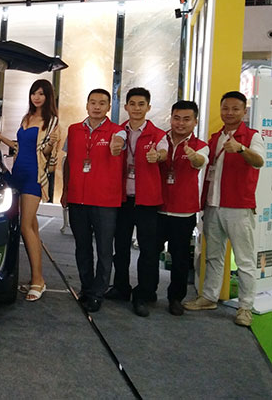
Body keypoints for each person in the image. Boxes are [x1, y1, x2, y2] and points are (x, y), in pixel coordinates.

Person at [184, 91, 264, 327]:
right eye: (225, 108)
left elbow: (259, 161)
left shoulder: (252, 136)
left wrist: (240, 149)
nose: (229, 113)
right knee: (214, 255)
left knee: (244, 260)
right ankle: (209, 297)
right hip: (213, 204)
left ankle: (245, 308)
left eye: (235, 109)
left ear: (244, 111)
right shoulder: (215, 137)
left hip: (239, 207)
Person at [0, 79, 59, 302]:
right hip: (17, 173)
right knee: (32, 229)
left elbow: (47, 152)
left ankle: (38, 280)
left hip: (33, 177)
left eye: (41, 94)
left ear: (48, 97)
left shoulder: (52, 121)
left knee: (25, 227)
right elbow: (20, 146)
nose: (37, 97)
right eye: (34, 93)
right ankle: (37, 279)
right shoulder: (27, 118)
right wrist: (0, 136)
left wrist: (52, 143)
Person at [61, 89, 125, 313]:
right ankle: (86, 288)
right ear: (87, 105)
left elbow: (120, 144)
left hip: (105, 201)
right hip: (77, 198)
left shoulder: (117, 131)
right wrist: (65, 190)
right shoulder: (74, 130)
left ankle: (98, 293)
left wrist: (116, 145)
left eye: (102, 103)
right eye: (93, 102)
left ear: (109, 107)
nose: (97, 107)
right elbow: (68, 161)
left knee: (105, 250)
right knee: (82, 247)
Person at [106, 87, 167, 317]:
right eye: (132, 104)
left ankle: (143, 293)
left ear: (148, 107)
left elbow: (164, 152)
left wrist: (157, 156)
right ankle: (121, 287)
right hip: (122, 199)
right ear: (126, 107)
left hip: (147, 201)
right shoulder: (118, 132)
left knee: (148, 249)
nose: (136, 108)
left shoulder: (157, 134)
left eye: (141, 104)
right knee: (120, 246)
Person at [157, 101, 209, 316]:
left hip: (183, 211)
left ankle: (175, 298)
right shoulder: (160, 139)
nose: (180, 123)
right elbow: (156, 155)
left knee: (179, 258)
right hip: (157, 207)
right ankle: (146, 292)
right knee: (150, 253)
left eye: (186, 119)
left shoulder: (200, 145)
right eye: (176, 118)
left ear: (195, 121)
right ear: (171, 118)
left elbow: (200, 161)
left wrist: (194, 157)